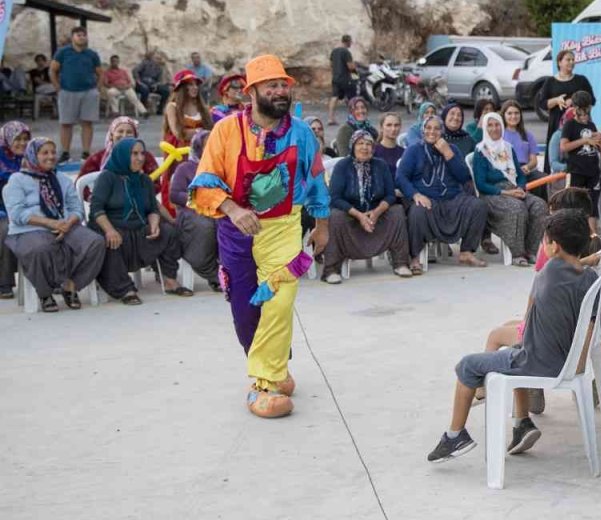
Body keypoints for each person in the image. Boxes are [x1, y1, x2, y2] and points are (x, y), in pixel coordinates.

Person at [189, 54, 332, 419]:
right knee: (245, 309)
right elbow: (204, 182)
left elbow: (316, 177)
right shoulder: (225, 131)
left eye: (283, 84)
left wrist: (322, 223)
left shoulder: (300, 132)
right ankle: (274, 367)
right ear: (252, 91)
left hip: (285, 226)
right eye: (272, 85)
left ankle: (263, 384)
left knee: (280, 300)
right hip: (236, 231)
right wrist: (234, 210)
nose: (280, 90)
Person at [427, 211, 599, 461]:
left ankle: (455, 436)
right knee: (512, 349)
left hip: (539, 362)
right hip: (564, 357)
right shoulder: (589, 277)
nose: (543, 246)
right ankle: (522, 423)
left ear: (554, 247)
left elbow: (530, 314)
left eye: (545, 241)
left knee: (467, 366)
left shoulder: (548, 272)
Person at [2, 137, 105, 312]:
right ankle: (45, 293)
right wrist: (51, 223)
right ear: (33, 155)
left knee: (95, 242)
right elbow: (17, 214)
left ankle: (70, 286)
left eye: (53, 152)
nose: (51, 157)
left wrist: (67, 223)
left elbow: (76, 208)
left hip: (65, 224)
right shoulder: (17, 180)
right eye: (44, 153)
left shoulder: (62, 179)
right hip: (29, 229)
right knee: (41, 248)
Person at [90, 137, 188, 302]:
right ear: (122, 155)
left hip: (138, 227)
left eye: (142, 153)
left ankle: (169, 279)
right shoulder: (107, 178)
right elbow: (96, 209)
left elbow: (151, 208)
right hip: (113, 226)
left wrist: (155, 223)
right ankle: (124, 289)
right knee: (111, 241)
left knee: (168, 232)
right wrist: (109, 230)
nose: (140, 158)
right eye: (134, 154)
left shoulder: (144, 180)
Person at [396, 116, 489, 271]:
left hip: (452, 198)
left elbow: (463, 177)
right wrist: (415, 195)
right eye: (428, 128)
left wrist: (447, 153)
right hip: (427, 199)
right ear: (423, 130)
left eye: (437, 128)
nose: (432, 132)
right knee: (417, 211)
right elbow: (401, 177)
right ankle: (414, 257)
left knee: (478, 206)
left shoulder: (452, 149)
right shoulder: (414, 150)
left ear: (442, 131)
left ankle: (466, 251)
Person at [322, 130, 411, 282]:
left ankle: (400, 263)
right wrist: (359, 215)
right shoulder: (343, 166)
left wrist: (376, 213)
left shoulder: (380, 165)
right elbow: (335, 198)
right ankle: (332, 270)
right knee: (335, 216)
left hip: (376, 215)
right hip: (350, 216)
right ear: (352, 146)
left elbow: (390, 195)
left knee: (397, 211)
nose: (365, 147)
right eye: (360, 143)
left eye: (368, 144)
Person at [473, 112, 549, 267]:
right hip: (492, 194)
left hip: (514, 190)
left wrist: (520, 188)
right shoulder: (480, 151)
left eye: (497, 125)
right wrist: (506, 193)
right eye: (490, 125)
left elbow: (520, 175)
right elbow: (480, 184)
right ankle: (517, 253)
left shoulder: (508, 148)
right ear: (485, 128)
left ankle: (531, 251)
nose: (494, 129)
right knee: (517, 208)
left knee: (540, 205)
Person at [169, 130, 221, 291]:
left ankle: (227, 271)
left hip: (218, 210)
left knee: (230, 224)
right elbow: (175, 194)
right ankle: (213, 273)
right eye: (207, 145)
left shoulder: (222, 165)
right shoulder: (185, 168)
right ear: (198, 147)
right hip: (191, 212)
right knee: (205, 226)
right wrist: (202, 198)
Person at [161, 70, 213, 216]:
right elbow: (178, 132)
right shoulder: (172, 107)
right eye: (190, 85)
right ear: (181, 88)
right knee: (178, 184)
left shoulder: (203, 108)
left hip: (200, 154)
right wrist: (199, 132)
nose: (195, 87)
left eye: (196, 84)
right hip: (179, 154)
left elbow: (211, 131)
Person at [51, 26, 103, 162]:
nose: (81, 37)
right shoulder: (63, 52)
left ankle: (86, 152)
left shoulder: (92, 54)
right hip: (67, 92)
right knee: (66, 123)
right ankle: (65, 152)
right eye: (78, 35)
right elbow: (53, 70)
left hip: (88, 92)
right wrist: (57, 87)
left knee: (87, 123)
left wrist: (97, 89)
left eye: (83, 35)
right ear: (72, 37)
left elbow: (100, 73)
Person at [538, 49, 594, 172]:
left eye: (573, 60)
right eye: (568, 59)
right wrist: (556, 100)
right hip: (558, 123)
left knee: (583, 151)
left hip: (580, 123)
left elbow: (592, 100)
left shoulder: (581, 80)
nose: (571, 62)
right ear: (559, 62)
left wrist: (574, 101)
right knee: (556, 154)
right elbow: (542, 104)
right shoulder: (550, 82)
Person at [559, 91, 601, 226]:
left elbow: (600, 150)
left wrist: (600, 142)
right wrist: (584, 141)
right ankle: (576, 233)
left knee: (592, 206)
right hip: (576, 171)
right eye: (581, 109)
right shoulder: (570, 125)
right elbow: (564, 147)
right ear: (575, 108)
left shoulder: (591, 125)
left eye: (587, 109)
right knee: (574, 204)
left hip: (593, 171)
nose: (584, 112)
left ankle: (593, 236)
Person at [78, 116, 159, 186]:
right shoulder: (97, 158)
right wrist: (94, 197)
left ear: (135, 136)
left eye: (129, 132)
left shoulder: (145, 156)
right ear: (112, 135)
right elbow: (80, 182)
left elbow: (157, 183)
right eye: (120, 131)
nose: (124, 135)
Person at [0, 121, 31, 298]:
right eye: (17, 139)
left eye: (26, 139)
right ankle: (4, 283)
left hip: (29, 210)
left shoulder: (33, 158)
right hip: (3, 211)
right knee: (5, 230)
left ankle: (53, 278)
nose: (22, 143)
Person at [500, 100, 544, 190]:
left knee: (543, 179)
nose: (513, 116)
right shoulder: (499, 135)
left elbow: (534, 161)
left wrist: (527, 167)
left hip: (525, 169)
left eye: (516, 113)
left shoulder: (528, 135)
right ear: (503, 115)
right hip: (507, 172)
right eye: (509, 113)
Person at [328, 35, 358, 125]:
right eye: (350, 42)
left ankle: (330, 118)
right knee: (351, 98)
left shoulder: (334, 51)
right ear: (348, 42)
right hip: (345, 78)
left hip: (335, 78)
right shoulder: (346, 52)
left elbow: (331, 64)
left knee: (334, 97)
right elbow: (350, 66)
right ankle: (353, 119)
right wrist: (356, 74)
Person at [132, 51, 170, 116]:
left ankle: (160, 109)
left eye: (159, 59)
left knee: (166, 90)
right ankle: (143, 109)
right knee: (145, 90)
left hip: (152, 85)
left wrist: (156, 84)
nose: (158, 60)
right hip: (142, 84)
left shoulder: (159, 68)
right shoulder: (144, 63)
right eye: (156, 58)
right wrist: (138, 81)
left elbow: (159, 80)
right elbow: (135, 71)